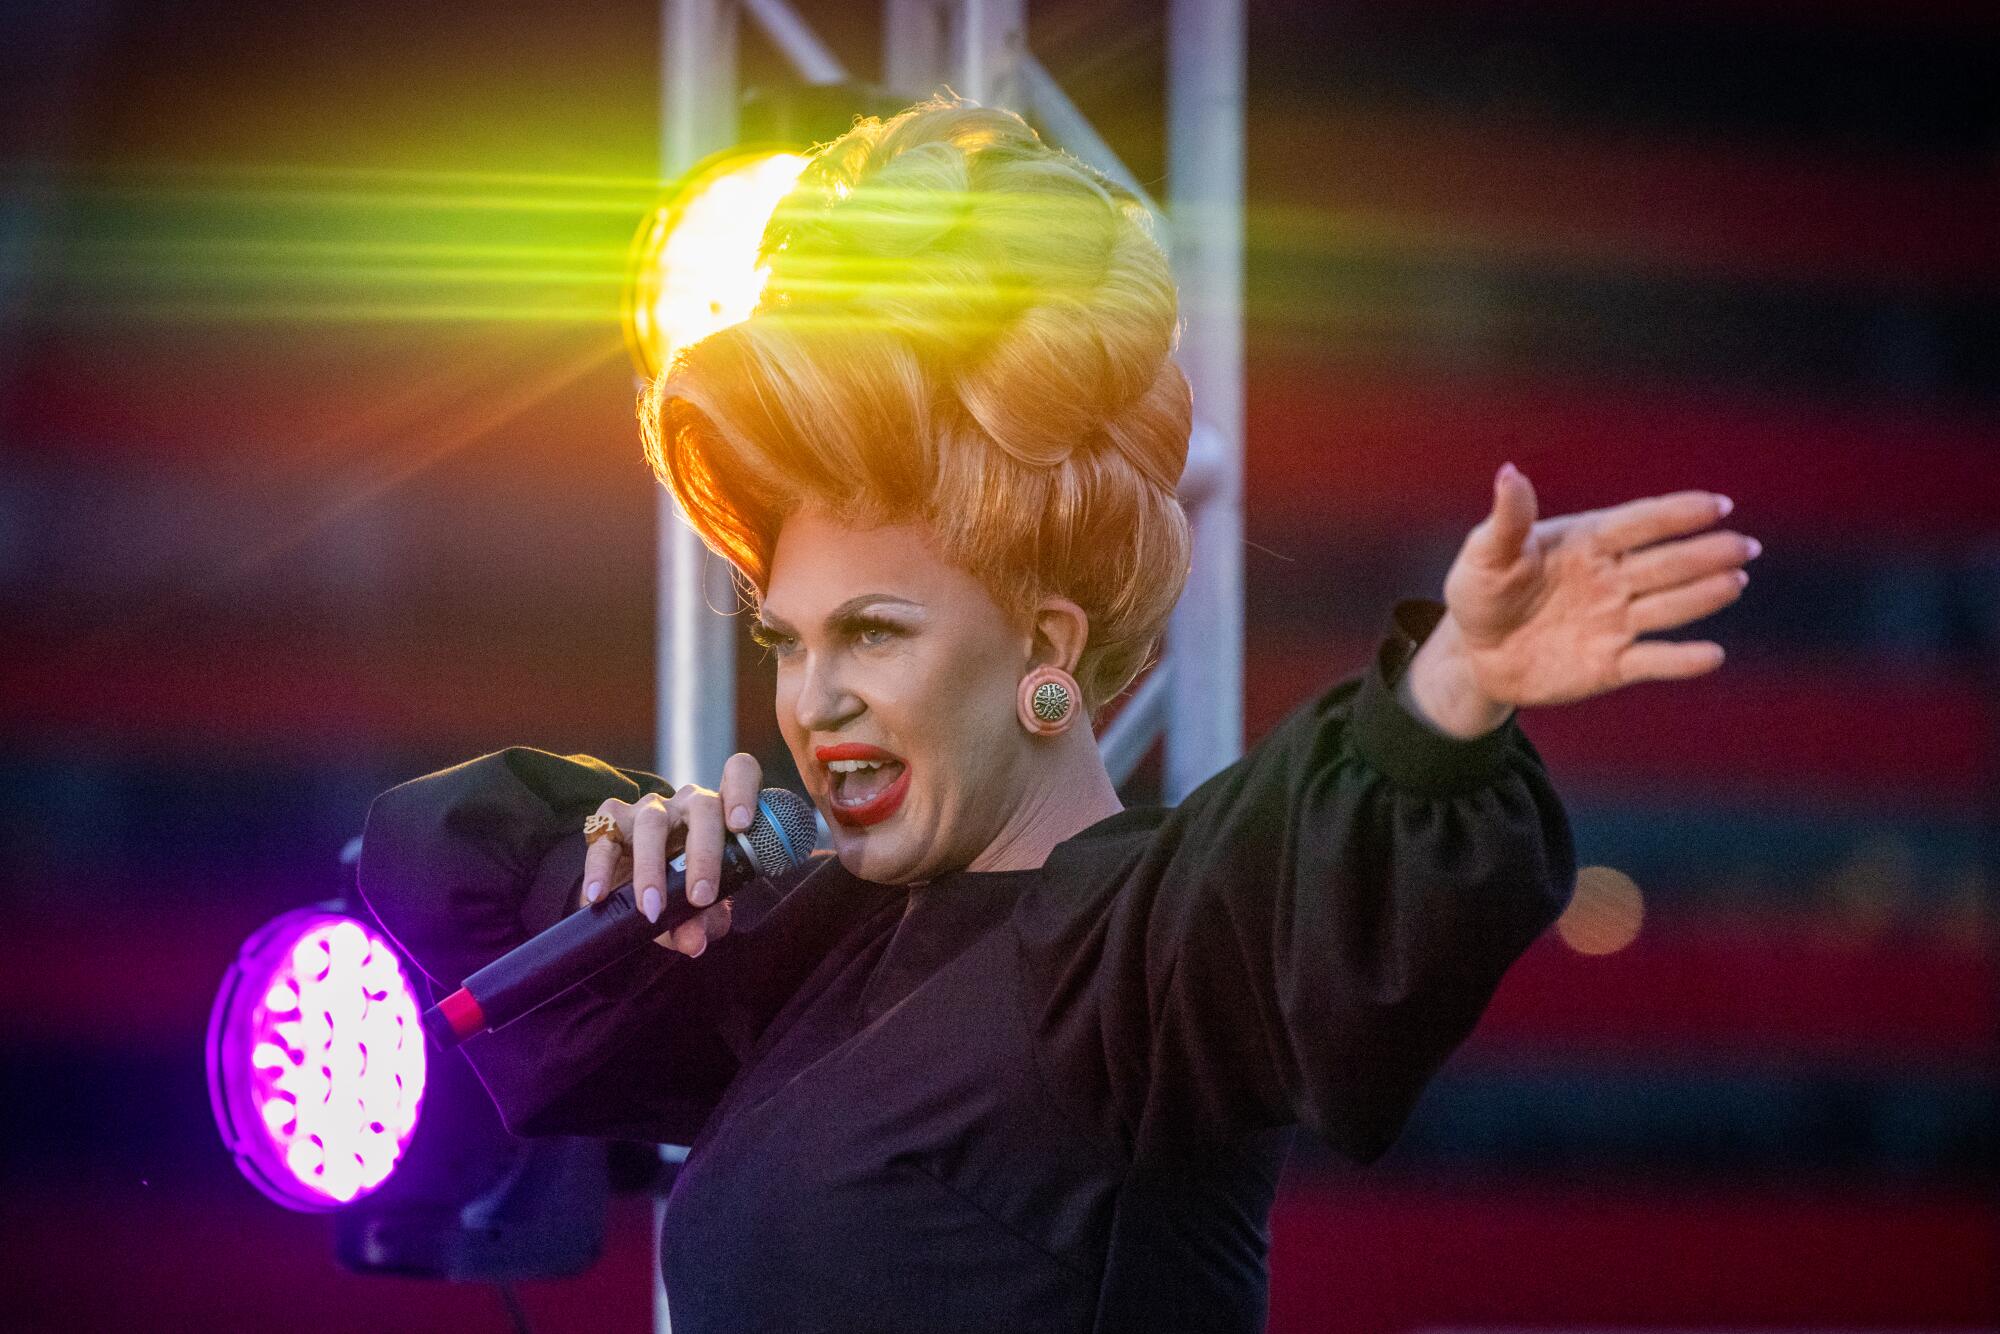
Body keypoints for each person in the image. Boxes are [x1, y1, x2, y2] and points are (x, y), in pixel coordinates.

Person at [357, 98, 1759, 1332]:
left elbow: (1307, 892)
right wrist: (640, 853)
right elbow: (439, 897)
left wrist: (1450, 690)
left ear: (1045, 641)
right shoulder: (812, 955)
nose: (813, 698)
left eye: (875, 633)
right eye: (791, 641)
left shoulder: (1131, 957)